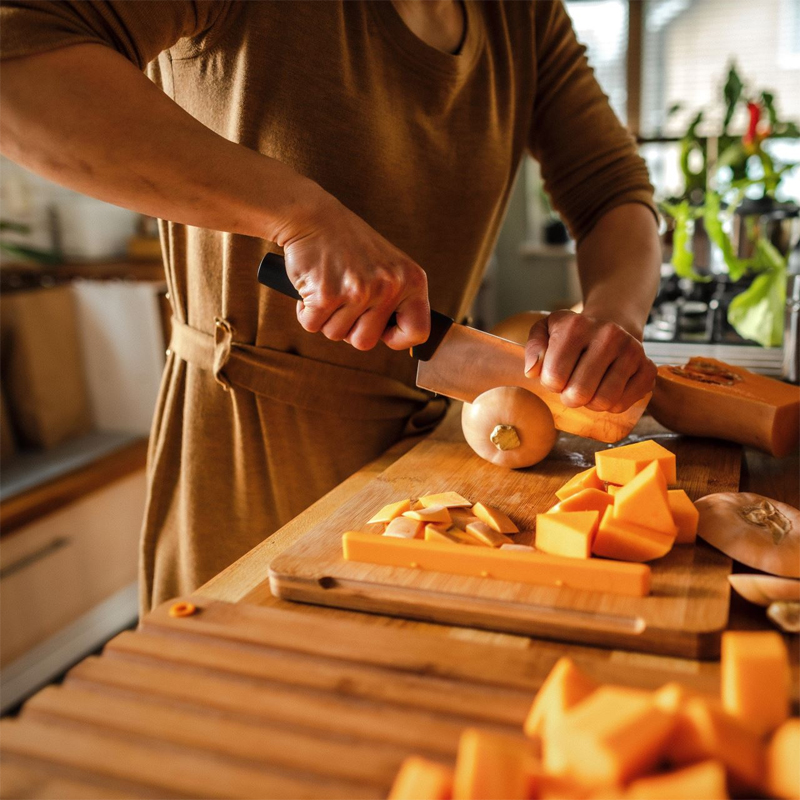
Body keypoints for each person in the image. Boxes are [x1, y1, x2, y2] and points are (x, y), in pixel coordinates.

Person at [0, 0, 661, 613]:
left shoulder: (525, 14)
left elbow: (611, 188)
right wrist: (298, 216)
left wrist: (614, 314)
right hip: (248, 457)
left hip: (426, 461)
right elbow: (17, 63)